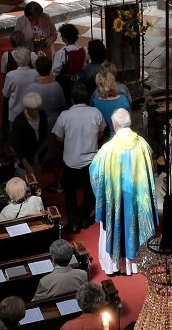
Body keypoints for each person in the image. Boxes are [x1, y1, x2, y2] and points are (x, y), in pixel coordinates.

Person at [90, 108, 158, 276]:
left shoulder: (108, 149)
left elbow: (95, 174)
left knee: (117, 225)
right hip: (138, 199)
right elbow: (150, 167)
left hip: (117, 200)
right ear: (129, 123)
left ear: (114, 125)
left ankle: (115, 265)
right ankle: (138, 263)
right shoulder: (142, 144)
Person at [52, 83, 106, 234]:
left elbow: (58, 137)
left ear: (72, 99)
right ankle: (84, 218)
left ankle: (74, 222)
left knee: (70, 193)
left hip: (71, 160)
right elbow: (101, 132)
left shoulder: (65, 115)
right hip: (90, 161)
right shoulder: (95, 113)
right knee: (90, 192)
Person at [11, 92, 48, 178]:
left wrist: (43, 148)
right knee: (26, 182)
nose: (36, 111)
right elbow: (18, 147)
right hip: (25, 160)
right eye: (33, 109)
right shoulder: (19, 122)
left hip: (38, 156)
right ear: (27, 108)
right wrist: (27, 166)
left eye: (37, 108)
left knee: (36, 178)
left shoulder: (42, 115)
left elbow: (44, 134)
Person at [24, 56, 66, 131]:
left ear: (37, 69)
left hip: (39, 123)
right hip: (55, 122)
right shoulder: (57, 85)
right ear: (50, 68)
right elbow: (63, 104)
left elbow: (27, 108)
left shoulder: (31, 88)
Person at [2, 46, 39, 125]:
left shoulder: (10, 75)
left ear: (16, 59)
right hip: (32, 111)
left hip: (15, 113)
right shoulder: (36, 73)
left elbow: (5, 94)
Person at [52, 23, 87, 105]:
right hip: (80, 80)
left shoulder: (61, 53)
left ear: (64, 38)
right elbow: (83, 65)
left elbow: (55, 71)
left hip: (65, 83)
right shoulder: (83, 49)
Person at [91, 71, 131, 139]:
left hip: (104, 138)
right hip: (122, 137)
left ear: (99, 86)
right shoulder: (123, 99)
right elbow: (128, 121)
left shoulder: (95, 103)